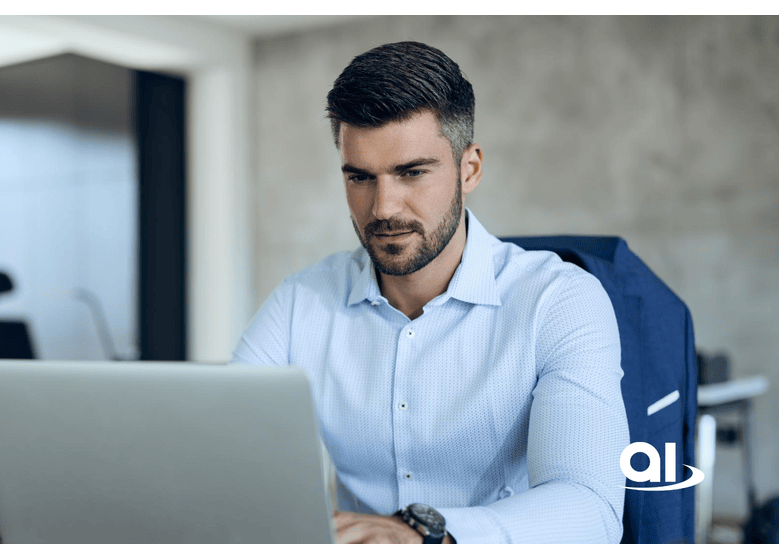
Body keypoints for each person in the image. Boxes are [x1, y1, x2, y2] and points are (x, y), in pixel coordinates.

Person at [233, 41, 629, 544]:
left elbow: (590, 509)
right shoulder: (299, 304)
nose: (382, 207)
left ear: (470, 169)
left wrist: (420, 533)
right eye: (360, 177)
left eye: (412, 172)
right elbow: (221, 460)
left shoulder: (560, 300)